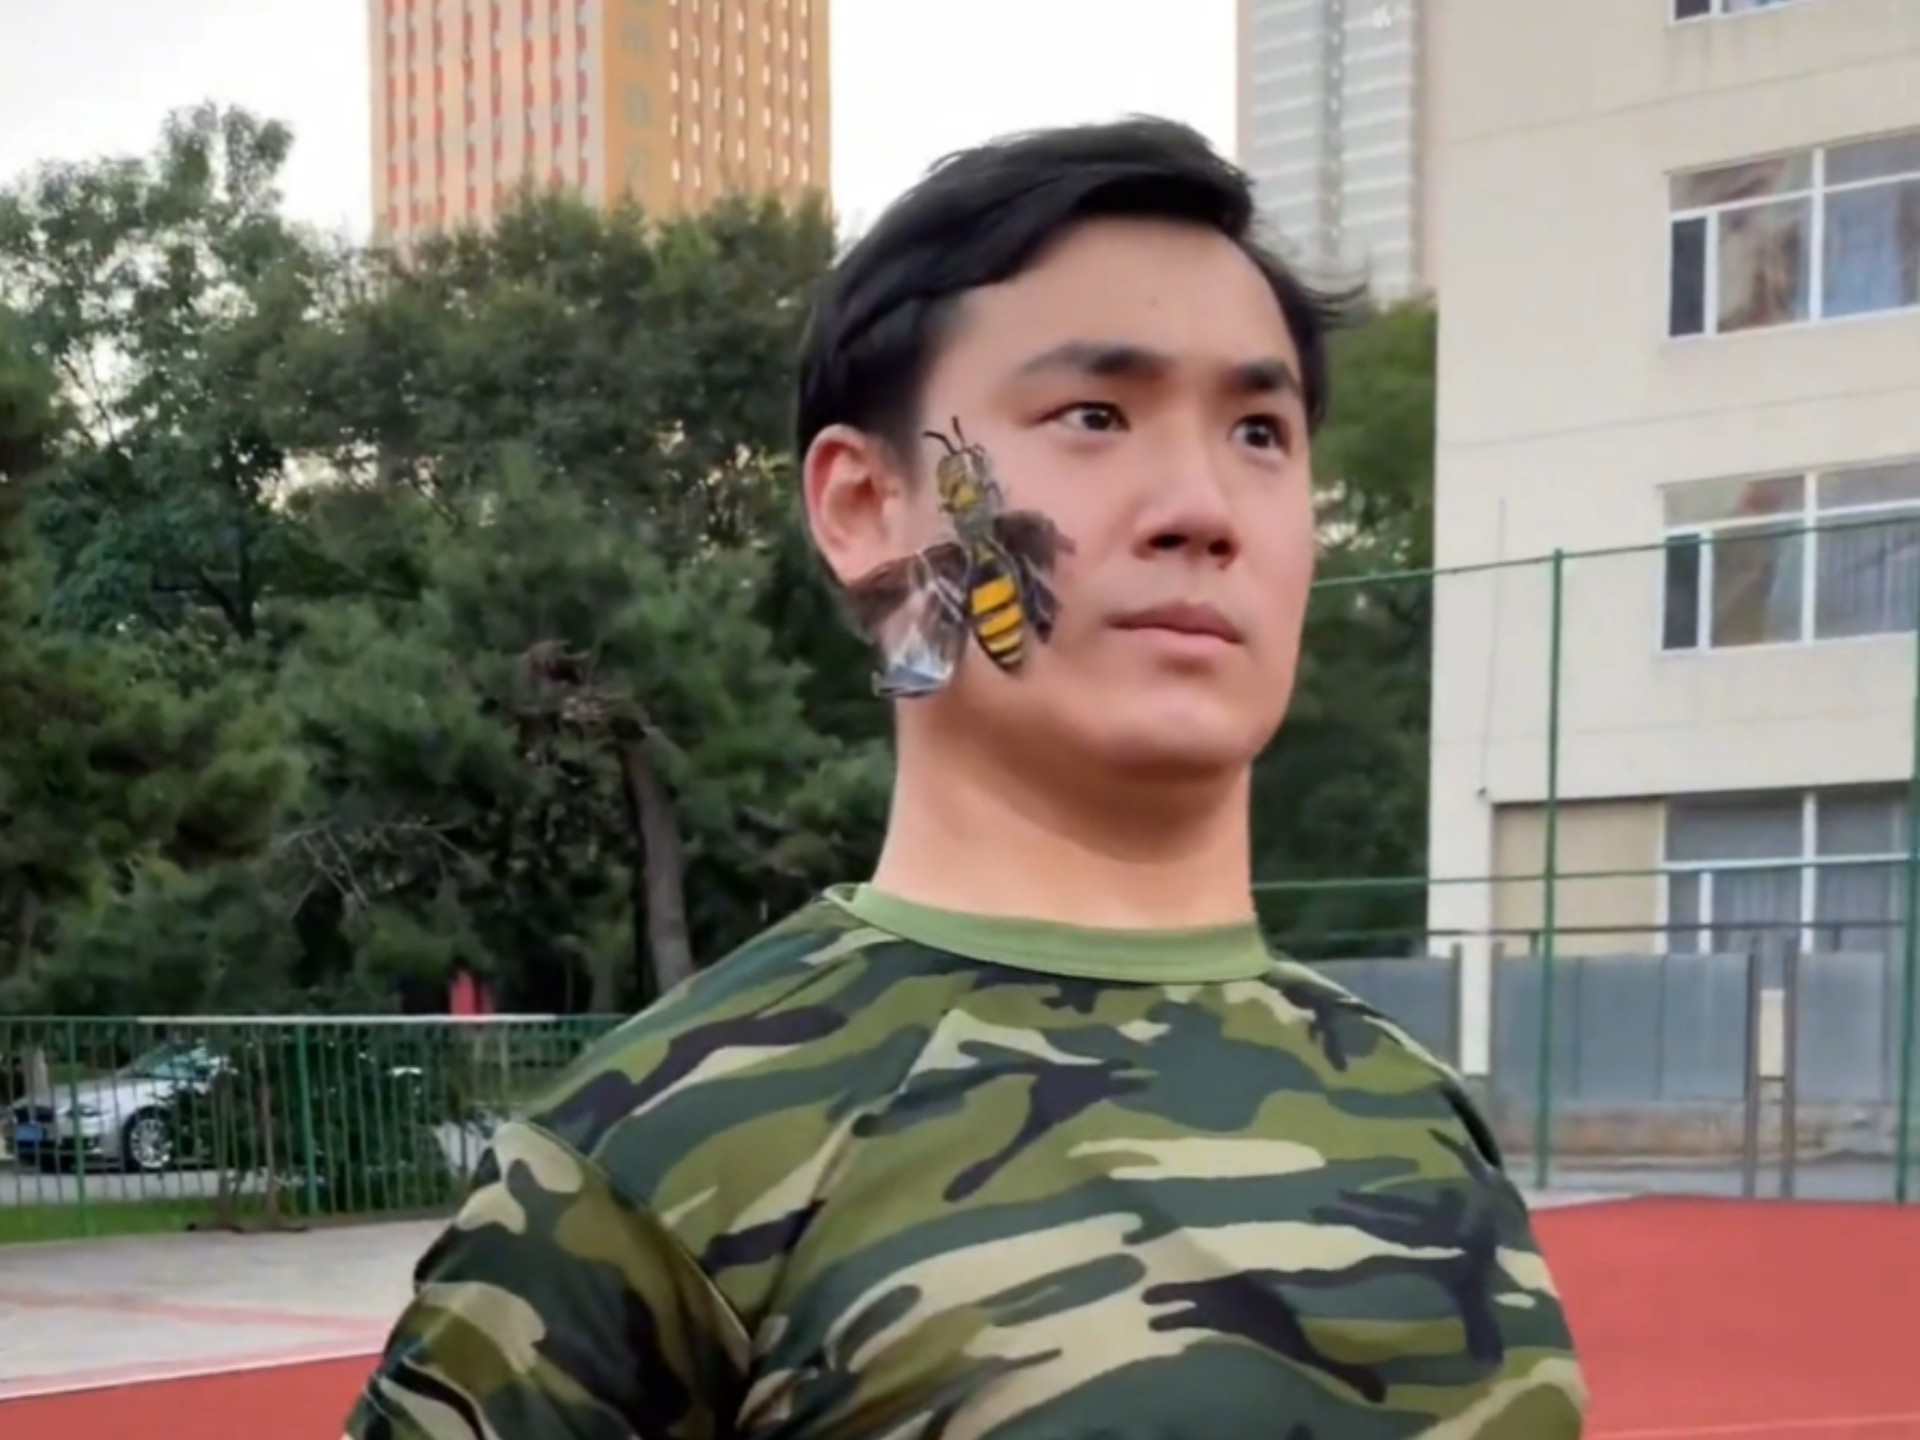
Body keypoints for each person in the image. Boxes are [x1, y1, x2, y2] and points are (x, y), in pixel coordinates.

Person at [345, 117, 1587, 1440]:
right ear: (864, 506)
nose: (1203, 507)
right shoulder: (651, 1166)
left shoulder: (1418, 1116)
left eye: (1260, 431)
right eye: (1095, 416)